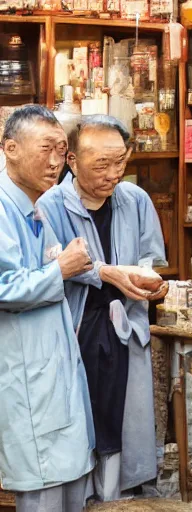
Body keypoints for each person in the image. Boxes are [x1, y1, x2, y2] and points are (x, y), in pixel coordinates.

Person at [37, 115, 168, 502]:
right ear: (72, 161)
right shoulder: (50, 205)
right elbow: (51, 263)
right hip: (76, 327)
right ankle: (80, 499)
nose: (113, 174)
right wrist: (106, 273)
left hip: (125, 323)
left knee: (122, 417)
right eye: (102, 166)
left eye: (120, 164)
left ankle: (115, 498)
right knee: (83, 416)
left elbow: (150, 257)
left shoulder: (136, 199)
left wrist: (149, 281)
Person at [0, 104, 95, 511]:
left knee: (68, 487)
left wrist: (107, 272)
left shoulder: (33, 204)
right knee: (42, 495)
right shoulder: (3, 208)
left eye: (62, 149)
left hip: (51, 370)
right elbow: (6, 287)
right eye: (46, 149)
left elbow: (64, 259)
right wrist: (61, 268)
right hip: (28, 377)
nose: (56, 161)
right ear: (10, 148)